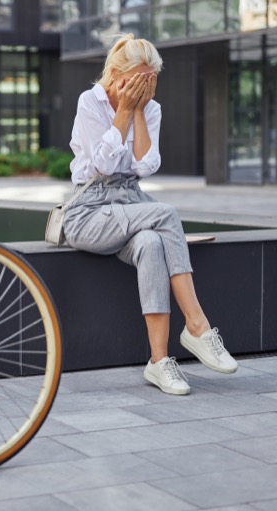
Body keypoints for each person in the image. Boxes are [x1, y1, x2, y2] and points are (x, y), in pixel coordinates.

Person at [62, 33, 238, 395]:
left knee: (150, 244)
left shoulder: (151, 109)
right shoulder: (90, 102)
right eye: (137, 79)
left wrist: (139, 109)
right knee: (166, 215)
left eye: (150, 80)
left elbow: (146, 165)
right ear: (115, 73)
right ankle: (197, 325)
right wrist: (124, 111)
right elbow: (103, 164)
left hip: (129, 203)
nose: (144, 86)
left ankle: (159, 362)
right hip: (88, 211)